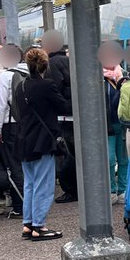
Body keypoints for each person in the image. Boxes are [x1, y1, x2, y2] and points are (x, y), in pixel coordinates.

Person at [16, 47, 68, 241]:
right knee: (44, 185)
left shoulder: (21, 86)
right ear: (45, 65)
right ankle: (39, 225)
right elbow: (62, 106)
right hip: (43, 139)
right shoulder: (46, 85)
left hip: (24, 138)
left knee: (30, 184)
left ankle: (28, 224)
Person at [0, 43, 28, 218]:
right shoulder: (32, 72)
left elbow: (0, 105)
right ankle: (33, 203)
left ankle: (20, 206)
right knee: (29, 166)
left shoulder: (6, 76)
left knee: (14, 166)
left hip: (10, 124)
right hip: (30, 125)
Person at [42, 31, 77, 203]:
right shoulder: (71, 61)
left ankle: (71, 190)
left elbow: (53, 90)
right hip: (76, 114)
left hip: (64, 116)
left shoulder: (52, 64)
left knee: (68, 154)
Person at [99, 42, 128, 202]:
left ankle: (123, 189)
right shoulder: (97, 77)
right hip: (106, 125)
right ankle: (111, 190)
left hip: (123, 123)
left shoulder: (124, 75)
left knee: (123, 159)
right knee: (109, 159)